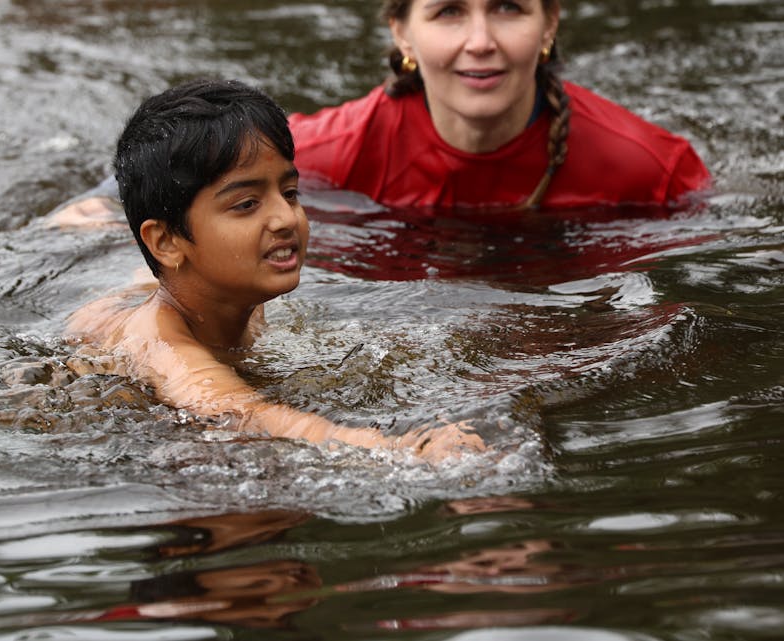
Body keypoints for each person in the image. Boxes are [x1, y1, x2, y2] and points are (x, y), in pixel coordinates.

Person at [63, 78, 484, 462]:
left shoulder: (236, 294)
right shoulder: (164, 350)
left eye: (290, 192)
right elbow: (243, 416)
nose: (286, 218)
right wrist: (403, 448)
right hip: (103, 316)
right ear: (166, 241)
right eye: (246, 204)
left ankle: (98, 220)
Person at [46, 0, 709, 225]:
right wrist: (104, 207)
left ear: (548, 25)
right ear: (402, 34)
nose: (481, 40)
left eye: (508, 6)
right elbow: (180, 164)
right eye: (448, 11)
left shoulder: (649, 167)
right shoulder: (341, 148)